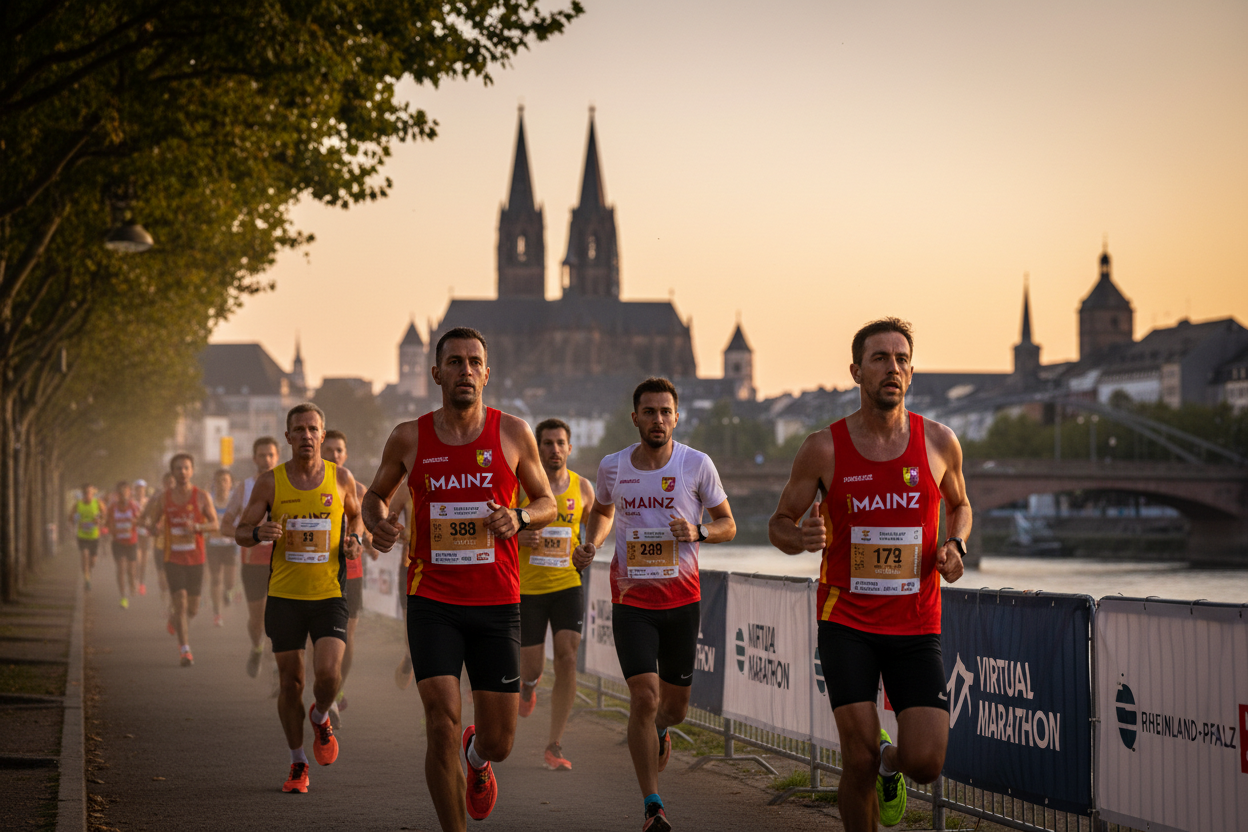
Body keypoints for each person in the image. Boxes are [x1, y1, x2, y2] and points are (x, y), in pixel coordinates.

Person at [767, 318, 971, 830]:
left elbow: (961, 504)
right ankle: (871, 770)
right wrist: (801, 538)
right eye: (880, 358)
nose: (892, 368)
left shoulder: (940, 441)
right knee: (854, 759)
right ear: (857, 370)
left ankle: (891, 762)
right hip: (847, 622)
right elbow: (778, 524)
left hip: (915, 623)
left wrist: (955, 544)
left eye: (902, 359)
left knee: (925, 762)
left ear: (911, 372)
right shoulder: (824, 447)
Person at [364, 327, 555, 831]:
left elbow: (548, 502)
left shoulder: (513, 432)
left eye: (474, 362)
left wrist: (521, 518)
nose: (465, 370)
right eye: (454, 362)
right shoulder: (409, 436)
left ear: (487, 374)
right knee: (440, 723)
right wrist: (376, 522)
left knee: (500, 743)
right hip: (433, 600)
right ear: (436, 373)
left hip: (496, 603)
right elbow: (373, 495)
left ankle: (478, 758)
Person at [572, 377, 737, 832]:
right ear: (636, 418)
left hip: (682, 601)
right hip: (631, 600)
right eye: (649, 412)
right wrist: (593, 543)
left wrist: (699, 531)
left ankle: (663, 731)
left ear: (676, 417)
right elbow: (602, 512)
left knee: (674, 709)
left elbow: (728, 524)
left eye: (666, 412)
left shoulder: (696, 464)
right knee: (644, 697)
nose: (658, 419)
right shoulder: (613, 466)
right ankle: (652, 804)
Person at [233, 403, 364, 795]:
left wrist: (354, 539)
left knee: (327, 675)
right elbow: (241, 530)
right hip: (285, 597)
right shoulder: (270, 483)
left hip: (329, 594)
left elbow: (357, 517)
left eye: (313, 429)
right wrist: (259, 534)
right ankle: (297, 762)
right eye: (299, 430)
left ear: (323, 436)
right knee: (291, 683)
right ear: (288, 437)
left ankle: (321, 714)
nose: (306, 436)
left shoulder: (341, 478)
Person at [514, 418, 595, 772]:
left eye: (560, 443)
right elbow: (496, 527)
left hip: (567, 586)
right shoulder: (520, 488)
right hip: (527, 589)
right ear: (537, 448)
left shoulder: (584, 489)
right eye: (546, 443)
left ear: (570, 448)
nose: (554, 449)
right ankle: (529, 686)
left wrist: (587, 550)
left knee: (566, 656)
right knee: (531, 667)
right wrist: (517, 536)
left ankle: (554, 744)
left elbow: (593, 530)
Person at [320, 428, 378, 726]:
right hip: (318, 571)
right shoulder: (311, 486)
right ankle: (325, 694)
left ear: (346, 453)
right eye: (328, 450)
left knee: (348, 636)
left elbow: (368, 530)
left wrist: (364, 542)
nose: (334, 455)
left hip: (351, 572)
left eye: (339, 450)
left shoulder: (359, 489)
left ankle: (337, 688)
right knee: (321, 638)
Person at [141, 454, 219, 667]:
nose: (182, 472)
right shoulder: (163, 498)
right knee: (181, 601)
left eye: (186, 468)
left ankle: (175, 619)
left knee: (192, 608)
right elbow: (151, 524)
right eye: (178, 468)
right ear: (172, 472)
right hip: (172, 557)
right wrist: (153, 528)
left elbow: (215, 525)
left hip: (196, 558)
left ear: (192, 470)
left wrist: (197, 527)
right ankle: (185, 650)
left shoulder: (202, 497)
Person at [221, 437, 281, 679]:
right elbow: (225, 526)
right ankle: (257, 648)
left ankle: (277, 661)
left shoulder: (288, 485)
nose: (266, 459)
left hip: (282, 562)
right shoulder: (244, 488)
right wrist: (252, 534)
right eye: (262, 455)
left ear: (277, 457)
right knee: (257, 619)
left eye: (271, 455)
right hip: (252, 562)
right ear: (254, 458)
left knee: (278, 615)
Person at [206, 469, 239, 627]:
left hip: (230, 545)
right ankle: (217, 613)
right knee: (216, 578)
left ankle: (228, 592)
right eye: (219, 481)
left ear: (230, 484)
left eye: (225, 481)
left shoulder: (235, 500)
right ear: (215, 483)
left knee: (230, 581)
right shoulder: (209, 500)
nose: (222, 484)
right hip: (213, 545)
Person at [106, 481, 142, 609]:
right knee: (121, 568)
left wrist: (135, 521)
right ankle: (123, 597)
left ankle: (133, 583)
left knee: (131, 571)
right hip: (118, 543)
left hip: (131, 542)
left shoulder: (133, 506)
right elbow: (107, 524)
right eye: (121, 492)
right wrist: (113, 530)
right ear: (117, 494)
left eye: (125, 491)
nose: (123, 494)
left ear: (129, 492)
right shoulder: (112, 507)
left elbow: (140, 521)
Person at [70, 483, 105, 591]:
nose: (88, 494)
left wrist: (99, 520)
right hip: (82, 535)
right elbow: (70, 517)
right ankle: (86, 579)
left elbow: (104, 514)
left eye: (90, 492)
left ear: (93, 493)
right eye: (85, 492)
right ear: (83, 493)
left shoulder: (97, 502)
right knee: (85, 554)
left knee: (92, 561)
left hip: (94, 536)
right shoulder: (78, 504)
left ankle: (88, 572)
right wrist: (75, 520)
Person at [133, 479, 151, 597]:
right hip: (136, 534)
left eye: (142, 489)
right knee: (138, 560)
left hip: (147, 534)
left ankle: (142, 583)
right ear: (135, 490)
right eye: (138, 489)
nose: (140, 491)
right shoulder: (132, 503)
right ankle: (135, 579)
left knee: (144, 561)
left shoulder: (149, 502)